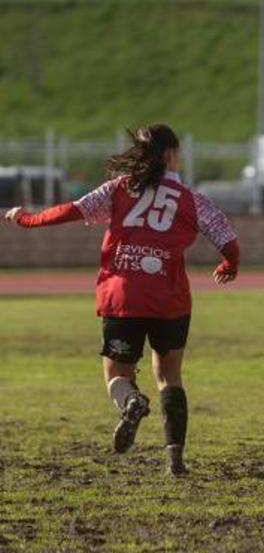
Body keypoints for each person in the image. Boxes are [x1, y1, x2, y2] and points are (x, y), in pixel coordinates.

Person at [3, 124, 239, 476]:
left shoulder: (118, 189)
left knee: (116, 376)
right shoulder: (193, 199)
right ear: (172, 155)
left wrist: (25, 218)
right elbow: (226, 237)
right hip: (169, 299)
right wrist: (229, 264)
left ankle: (131, 402)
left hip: (123, 295)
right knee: (170, 376)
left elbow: (71, 210)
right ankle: (175, 457)